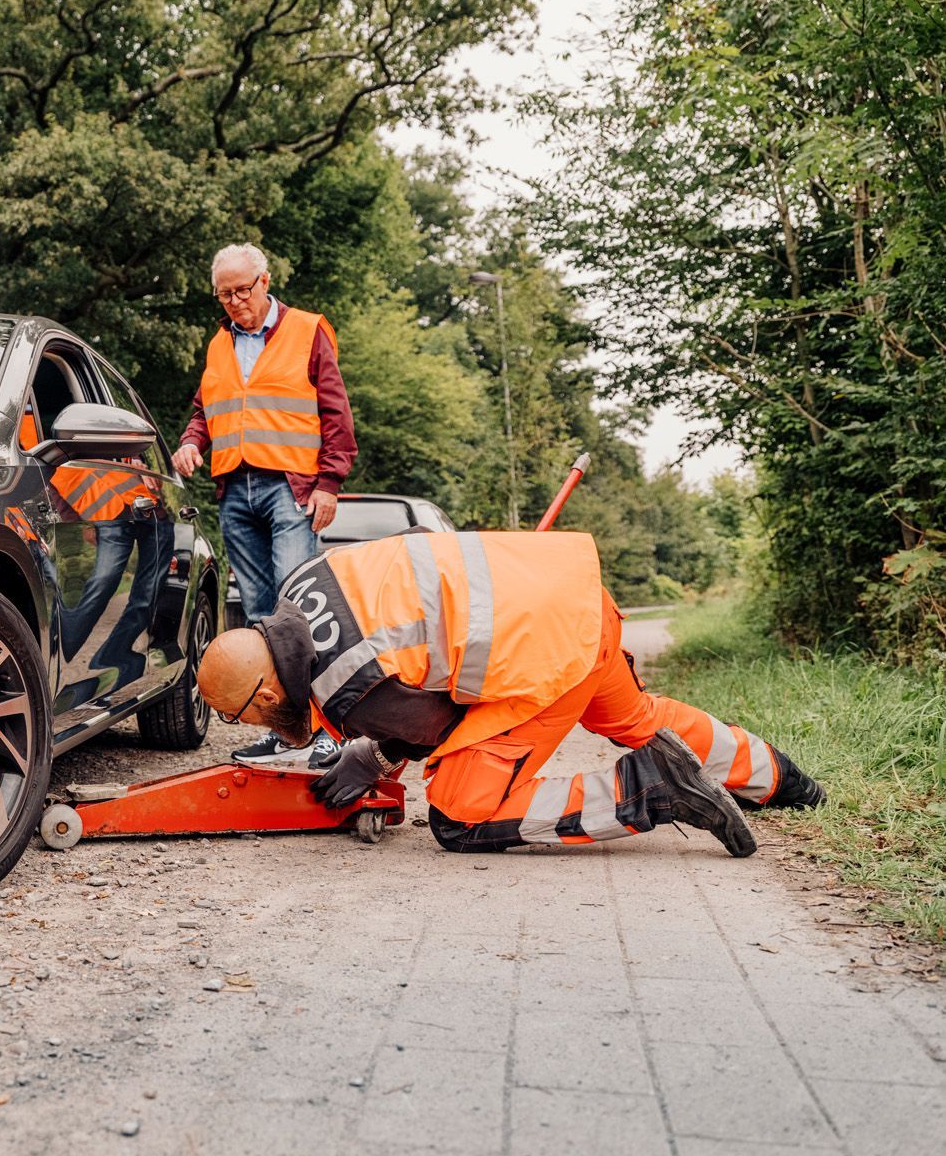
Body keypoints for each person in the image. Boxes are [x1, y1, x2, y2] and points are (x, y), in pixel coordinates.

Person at [195, 529, 825, 856]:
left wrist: (377, 752)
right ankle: (782, 779)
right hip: (575, 600)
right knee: (637, 717)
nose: (252, 725)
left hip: (549, 653)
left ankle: (652, 788)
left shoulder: (344, 684)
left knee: (461, 811)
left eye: (239, 714)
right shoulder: (303, 580)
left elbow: (440, 729)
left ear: (266, 694)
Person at [172, 242, 355, 767]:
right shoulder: (219, 345)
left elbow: (335, 412)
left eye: (242, 290)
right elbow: (205, 410)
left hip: (291, 488)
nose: (235, 302)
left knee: (298, 611)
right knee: (260, 615)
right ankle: (287, 734)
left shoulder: (307, 330)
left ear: (265, 282)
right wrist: (191, 442)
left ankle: (329, 731)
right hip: (235, 490)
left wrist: (329, 483)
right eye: (224, 294)